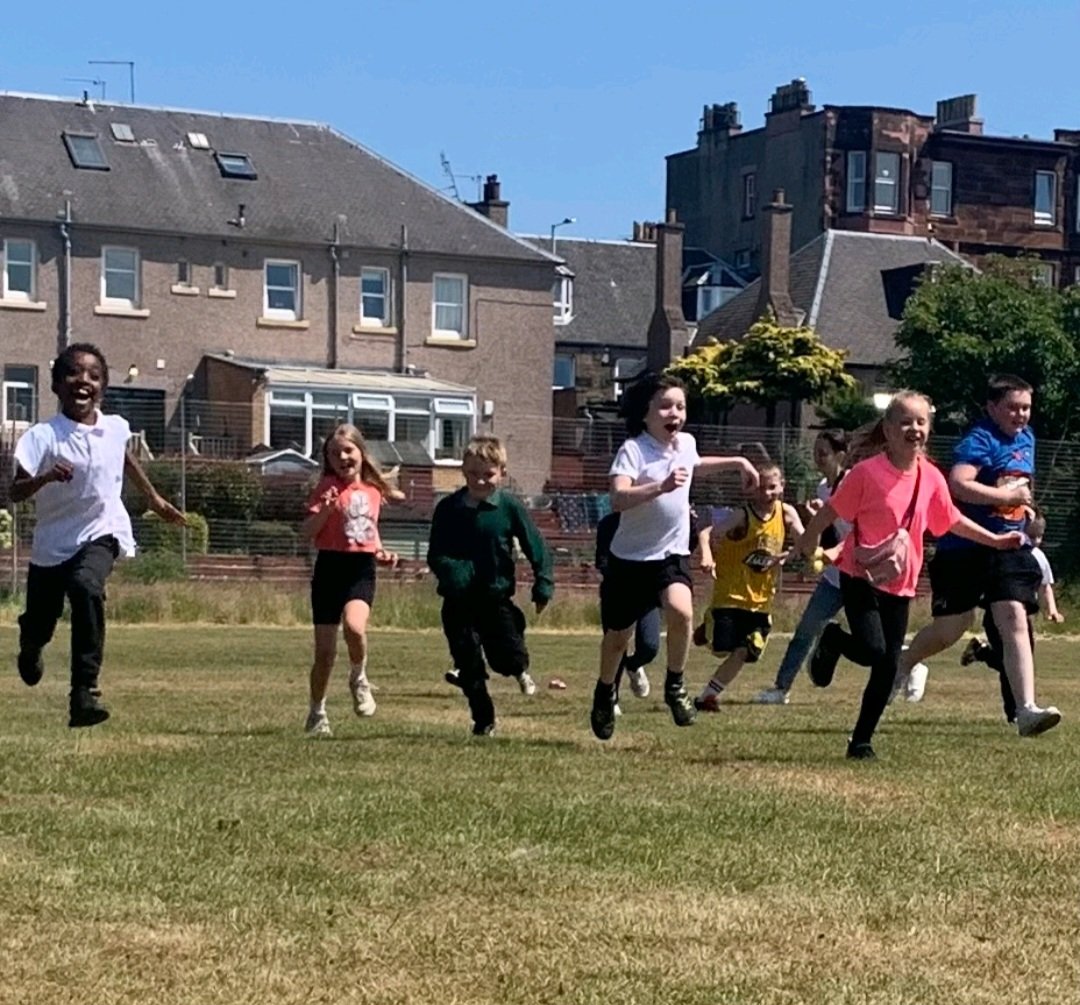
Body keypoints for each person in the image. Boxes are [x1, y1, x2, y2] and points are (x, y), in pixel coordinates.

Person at [797, 391, 1026, 760]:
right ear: (887, 430)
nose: (914, 429)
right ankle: (834, 639)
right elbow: (828, 513)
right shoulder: (865, 474)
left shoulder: (931, 477)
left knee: (888, 665)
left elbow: (951, 520)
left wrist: (996, 540)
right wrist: (808, 545)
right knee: (874, 650)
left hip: (900, 583)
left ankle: (861, 742)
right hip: (861, 574)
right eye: (905, 421)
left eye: (921, 422)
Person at [12, 343, 186, 728]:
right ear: (57, 385)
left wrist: (154, 499)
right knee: (43, 619)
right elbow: (14, 492)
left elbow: (122, 455)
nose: (83, 381)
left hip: (102, 529)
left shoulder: (115, 427)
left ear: (102, 388)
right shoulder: (43, 437)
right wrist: (45, 477)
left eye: (93, 375)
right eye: (73, 373)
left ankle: (84, 693)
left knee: (87, 586)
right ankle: (31, 643)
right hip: (52, 544)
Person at [590, 372, 758, 741]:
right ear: (646, 413)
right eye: (666, 405)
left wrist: (738, 463)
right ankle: (605, 692)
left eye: (680, 406)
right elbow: (618, 498)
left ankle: (675, 685)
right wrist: (659, 488)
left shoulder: (684, 443)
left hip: (671, 554)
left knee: (682, 611)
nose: (675, 413)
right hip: (630, 560)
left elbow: (697, 463)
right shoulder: (633, 450)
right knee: (618, 639)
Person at [893, 375, 1061, 735]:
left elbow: (1017, 485)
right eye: (1013, 407)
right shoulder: (979, 440)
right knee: (950, 629)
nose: (1020, 415)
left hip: (1008, 547)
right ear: (992, 407)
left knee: (1014, 617)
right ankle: (904, 662)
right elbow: (959, 484)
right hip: (965, 549)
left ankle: (1026, 710)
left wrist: (1025, 510)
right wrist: (1005, 500)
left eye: (1026, 408)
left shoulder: (1026, 438)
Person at [427, 435, 554, 736]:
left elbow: (536, 545)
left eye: (488, 474)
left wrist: (543, 584)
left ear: (502, 473)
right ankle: (483, 720)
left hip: (495, 599)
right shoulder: (448, 508)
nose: (481, 481)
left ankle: (518, 665)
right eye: (473, 474)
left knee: (505, 659)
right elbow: (436, 552)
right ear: (463, 471)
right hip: (458, 601)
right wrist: (453, 571)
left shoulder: (508, 507)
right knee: (468, 659)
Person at [300, 424, 401, 737]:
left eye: (347, 450)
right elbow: (307, 532)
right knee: (325, 653)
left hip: (360, 569)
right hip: (330, 568)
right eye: (334, 453)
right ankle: (317, 712)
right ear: (327, 459)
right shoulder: (326, 488)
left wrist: (382, 552)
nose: (342, 457)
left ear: (360, 453)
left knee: (355, 628)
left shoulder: (373, 492)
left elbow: (370, 530)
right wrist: (327, 509)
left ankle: (359, 677)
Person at [694, 461, 805, 709]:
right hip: (730, 595)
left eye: (772, 487)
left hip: (760, 601)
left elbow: (805, 541)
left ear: (782, 486)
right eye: (761, 488)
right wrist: (707, 555)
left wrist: (794, 553)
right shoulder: (742, 516)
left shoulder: (786, 514)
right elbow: (707, 533)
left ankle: (708, 696)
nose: (767, 494)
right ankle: (708, 626)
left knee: (748, 650)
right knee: (722, 648)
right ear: (751, 489)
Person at [753, 430, 850, 705]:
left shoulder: (853, 482)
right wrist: (796, 548)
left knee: (874, 640)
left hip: (860, 574)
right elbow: (824, 534)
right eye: (815, 452)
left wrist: (827, 513)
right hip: (834, 575)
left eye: (824, 453)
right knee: (805, 630)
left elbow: (858, 530)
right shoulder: (822, 487)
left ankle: (908, 665)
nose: (818, 458)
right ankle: (781, 689)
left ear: (840, 455)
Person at [595, 505, 708, 716]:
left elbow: (688, 540)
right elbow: (603, 562)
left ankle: (634, 665)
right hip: (620, 589)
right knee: (616, 643)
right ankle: (611, 699)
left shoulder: (661, 521)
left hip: (649, 594)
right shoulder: (609, 524)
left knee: (649, 646)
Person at [961, 511, 1064, 723]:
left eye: (1039, 536)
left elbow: (1046, 586)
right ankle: (1015, 712)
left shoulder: (1038, 557)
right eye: (1031, 535)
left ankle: (981, 653)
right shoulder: (1006, 549)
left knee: (1016, 659)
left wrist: (1051, 610)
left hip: (1023, 617)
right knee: (1010, 660)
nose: (1035, 541)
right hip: (998, 614)